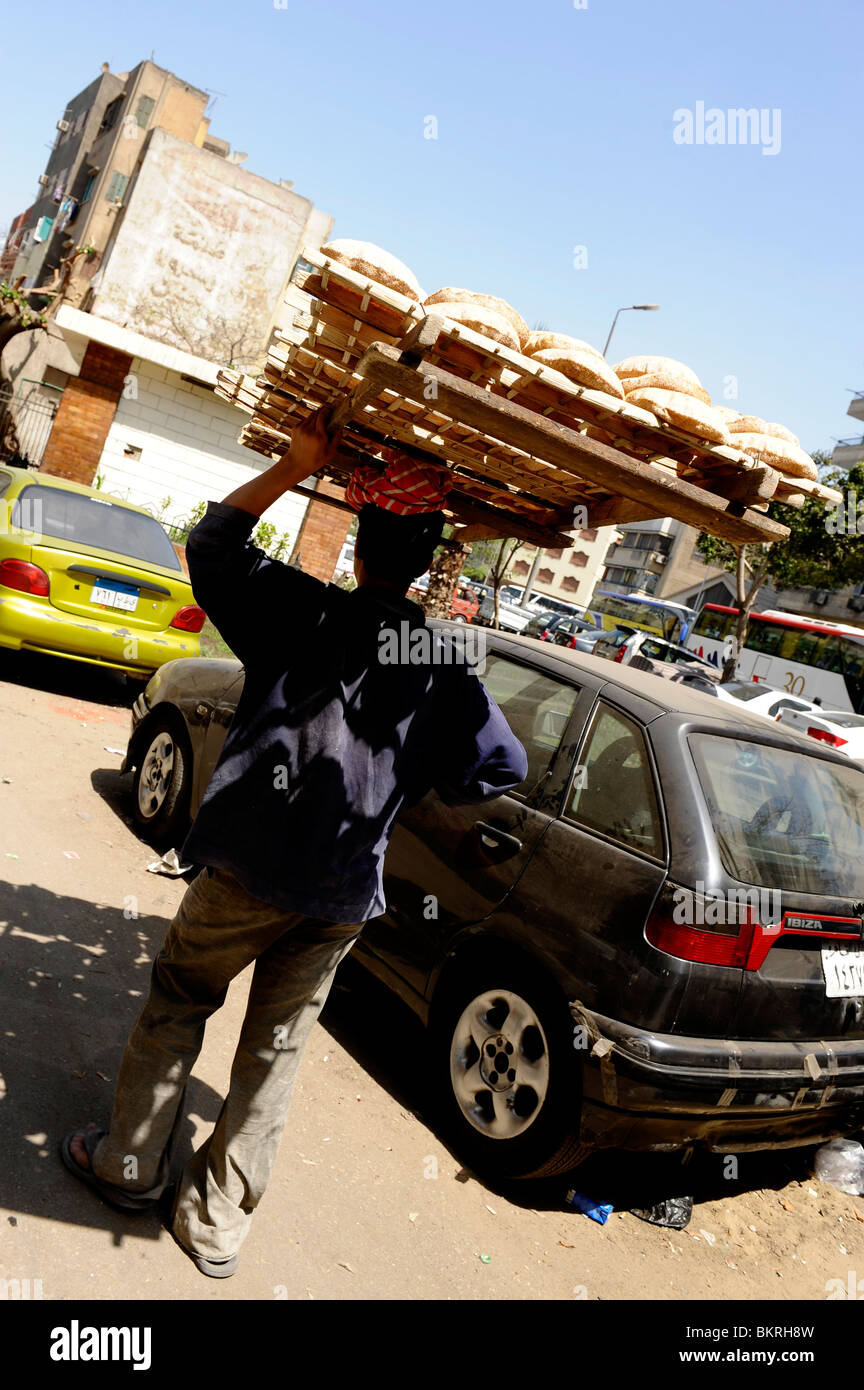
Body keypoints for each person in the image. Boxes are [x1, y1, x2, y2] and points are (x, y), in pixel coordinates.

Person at [61, 409, 528, 1278]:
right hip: (342, 895)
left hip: (247, 865)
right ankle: (214, 1225)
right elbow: (499, 765)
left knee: (179, 996)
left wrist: (293, 463)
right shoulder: (443, 661)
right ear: (428, 564)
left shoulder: (297, 608)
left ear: (357, 551)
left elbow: (211, 545)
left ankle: (129, 1165)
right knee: (276, 1049)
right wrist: (408, 775)